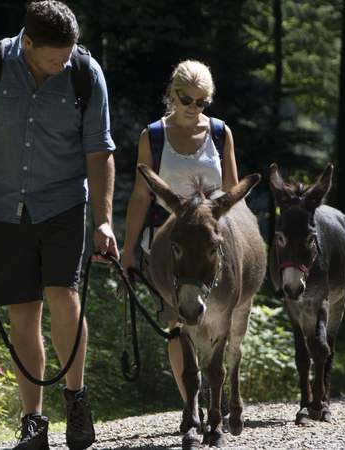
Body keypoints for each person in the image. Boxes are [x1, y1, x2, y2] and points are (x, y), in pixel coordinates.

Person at [0, 2, 117, 449]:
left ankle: (76, 399)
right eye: (54, 57)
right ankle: (33, 422)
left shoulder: (86, 74)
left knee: (63, 295)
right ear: (27, 43)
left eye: (69, 54)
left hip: (63, 205)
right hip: (2, 208)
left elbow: (100, 152)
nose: (63, 63)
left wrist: (104, 223)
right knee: (24, 312)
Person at [121, 60, 238, 405]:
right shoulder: (153, 136)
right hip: (166, 244)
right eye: (186, 99)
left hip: (211, 244)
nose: (192, 108)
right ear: (172, 94)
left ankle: (212, 396)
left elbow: (232, 190)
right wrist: (128, 250)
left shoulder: (220, 132)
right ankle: (192, 401)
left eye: (201, 102)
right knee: (176, 322)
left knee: (215, 321)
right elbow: (141, 196)